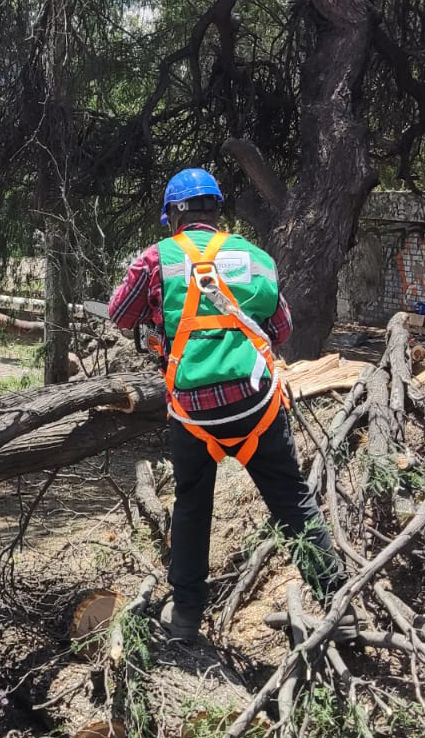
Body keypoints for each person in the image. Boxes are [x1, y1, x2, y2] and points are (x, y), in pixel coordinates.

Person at [107, 168, 347, 642]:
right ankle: (339, 604)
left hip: (194, 413)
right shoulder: (254, 257)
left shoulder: (157, 259)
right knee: (292, 500)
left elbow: (120, 315)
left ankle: (187, 616)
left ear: (173, 215)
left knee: (193, 503)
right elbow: (280, 329)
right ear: (217, 212)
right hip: (255, 405)